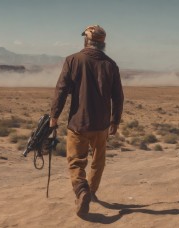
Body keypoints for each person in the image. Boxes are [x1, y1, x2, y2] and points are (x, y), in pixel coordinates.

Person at [50, 25, 124, 218]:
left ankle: (82, 191)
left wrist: (54, 116)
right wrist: (115, 120)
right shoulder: (111, 64)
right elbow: (118, 96)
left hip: (78, 123)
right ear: (103, 43)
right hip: (101, 124)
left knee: (76, 162)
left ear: (86, 40)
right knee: (98, 161)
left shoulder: (73, 60)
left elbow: (61, 90)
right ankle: (91, 191)